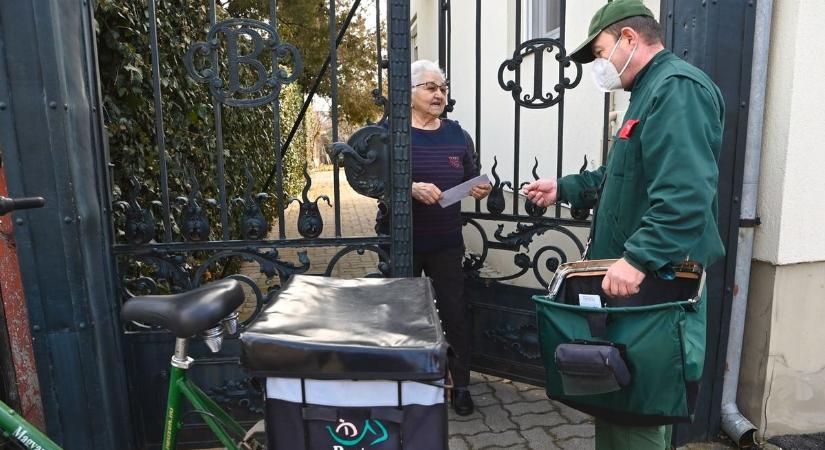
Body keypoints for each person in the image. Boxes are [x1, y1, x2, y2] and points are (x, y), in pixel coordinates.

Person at [523, 0, 725, 448]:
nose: (599, 65)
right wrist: (565, 188)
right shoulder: (649, 92)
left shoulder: (677, 89)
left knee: (637, 415)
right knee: (621, 403)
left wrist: (638, 258)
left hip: (652, 283)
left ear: (630, 39)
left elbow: (685, 195)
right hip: (635, 283)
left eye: (599, 52)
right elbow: (619, 175)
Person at [379, 59, 491, 415]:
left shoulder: (457, 133)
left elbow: (473, 177)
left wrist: (480, 187)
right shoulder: (390, 132)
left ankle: (459, 385)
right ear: (409, 93)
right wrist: (409, 187)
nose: (438, 93)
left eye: (442, 88)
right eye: (430, 87)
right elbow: (372, 181)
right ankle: (406, 386)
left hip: (445, 242)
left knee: (454, 314)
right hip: (402, 241)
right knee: (403, 316)